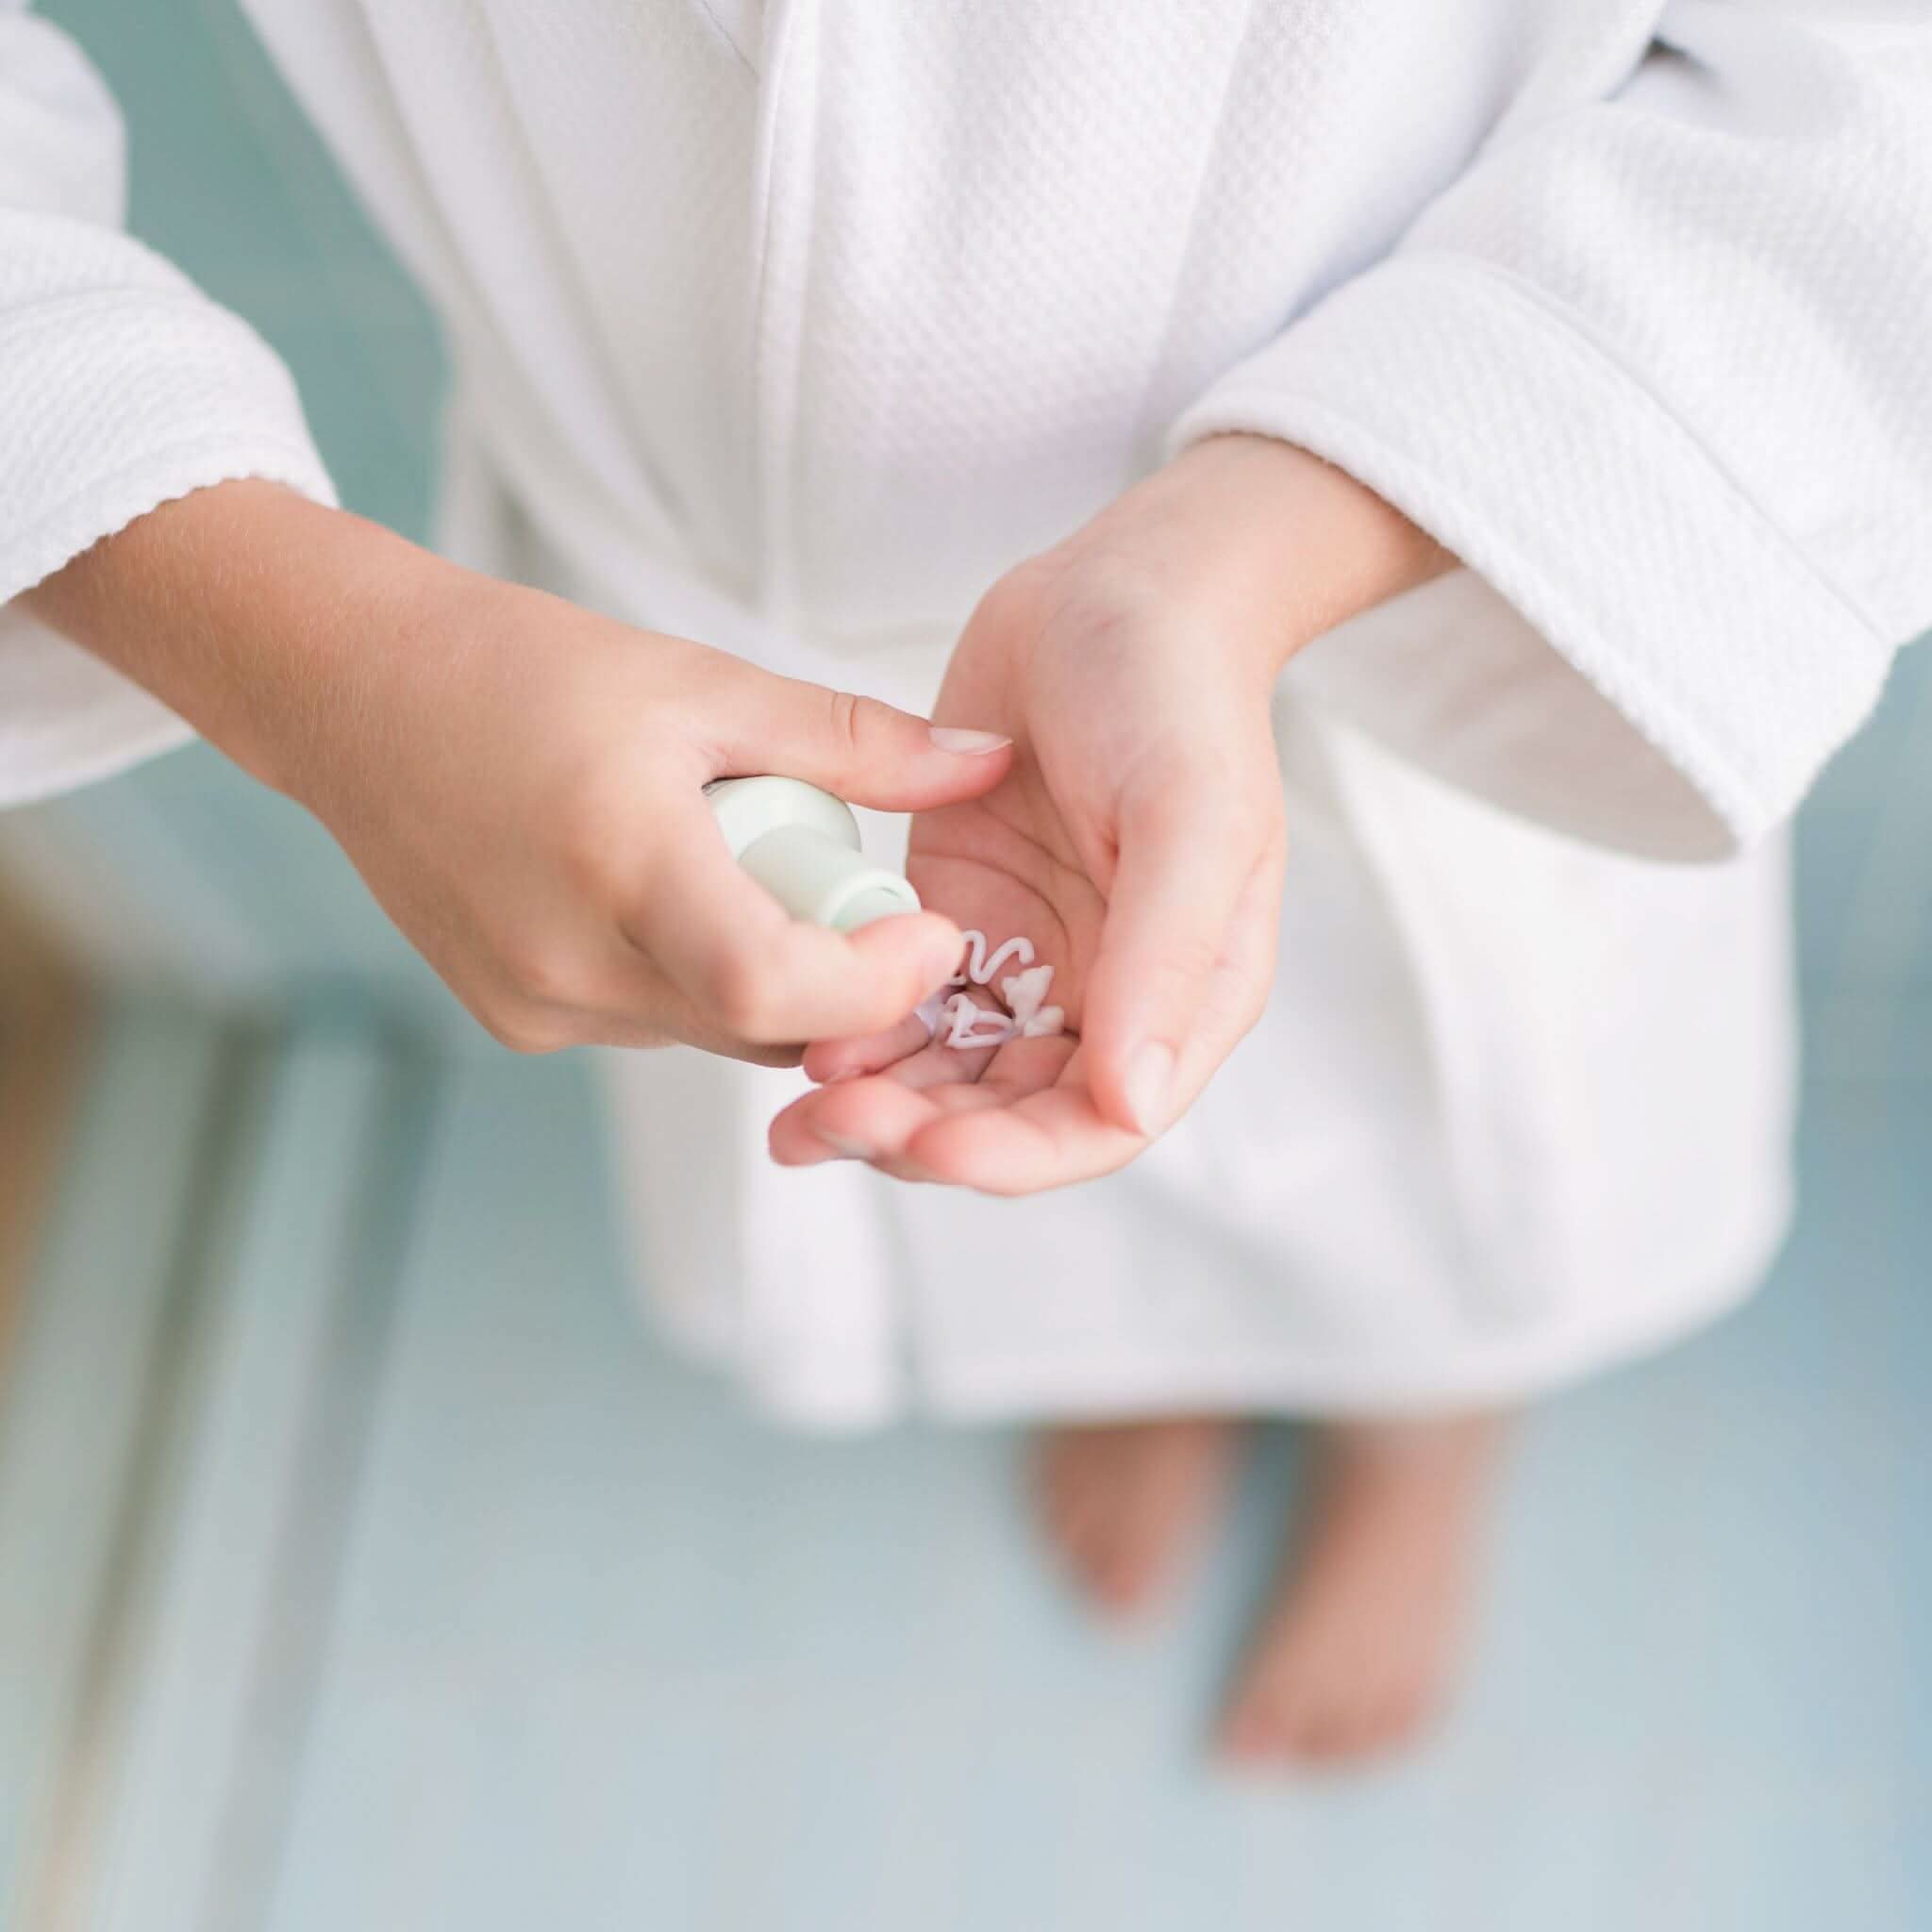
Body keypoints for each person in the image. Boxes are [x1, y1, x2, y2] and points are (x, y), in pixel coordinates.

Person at [4, 1, 1928, 1765]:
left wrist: (1254, 550)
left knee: (1454, 1202)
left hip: (1428, 543)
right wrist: (331, 666)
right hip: (670, 652)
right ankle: (1148, 1355)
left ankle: (1428, 1432)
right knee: (1031, 1178)